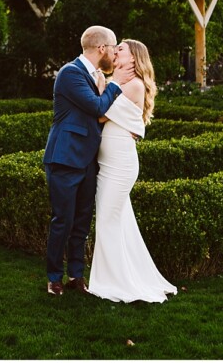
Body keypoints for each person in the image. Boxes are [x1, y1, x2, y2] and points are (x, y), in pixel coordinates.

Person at [43, 25, 134, 296]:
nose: (115, 55)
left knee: (82, 221)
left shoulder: (95, 76)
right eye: (113, 47)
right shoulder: (70, 73)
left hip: (89, 161)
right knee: (63, 220)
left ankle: (77, 276)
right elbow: (96, 107)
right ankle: (54, 278)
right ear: (101, 49)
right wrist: (116, 82)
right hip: (65, 158)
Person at [87, 39, 178, 303]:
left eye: (121, 50)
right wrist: (108, 82)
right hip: (107, 165)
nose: (115, 52)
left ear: (135, 58)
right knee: (118, 222)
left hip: (120, 165)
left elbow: (100, 114)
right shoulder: (116, 82)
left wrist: (108, 84)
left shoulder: (136, 85)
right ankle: (117, 277)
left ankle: (114, 283)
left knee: (107, 220)